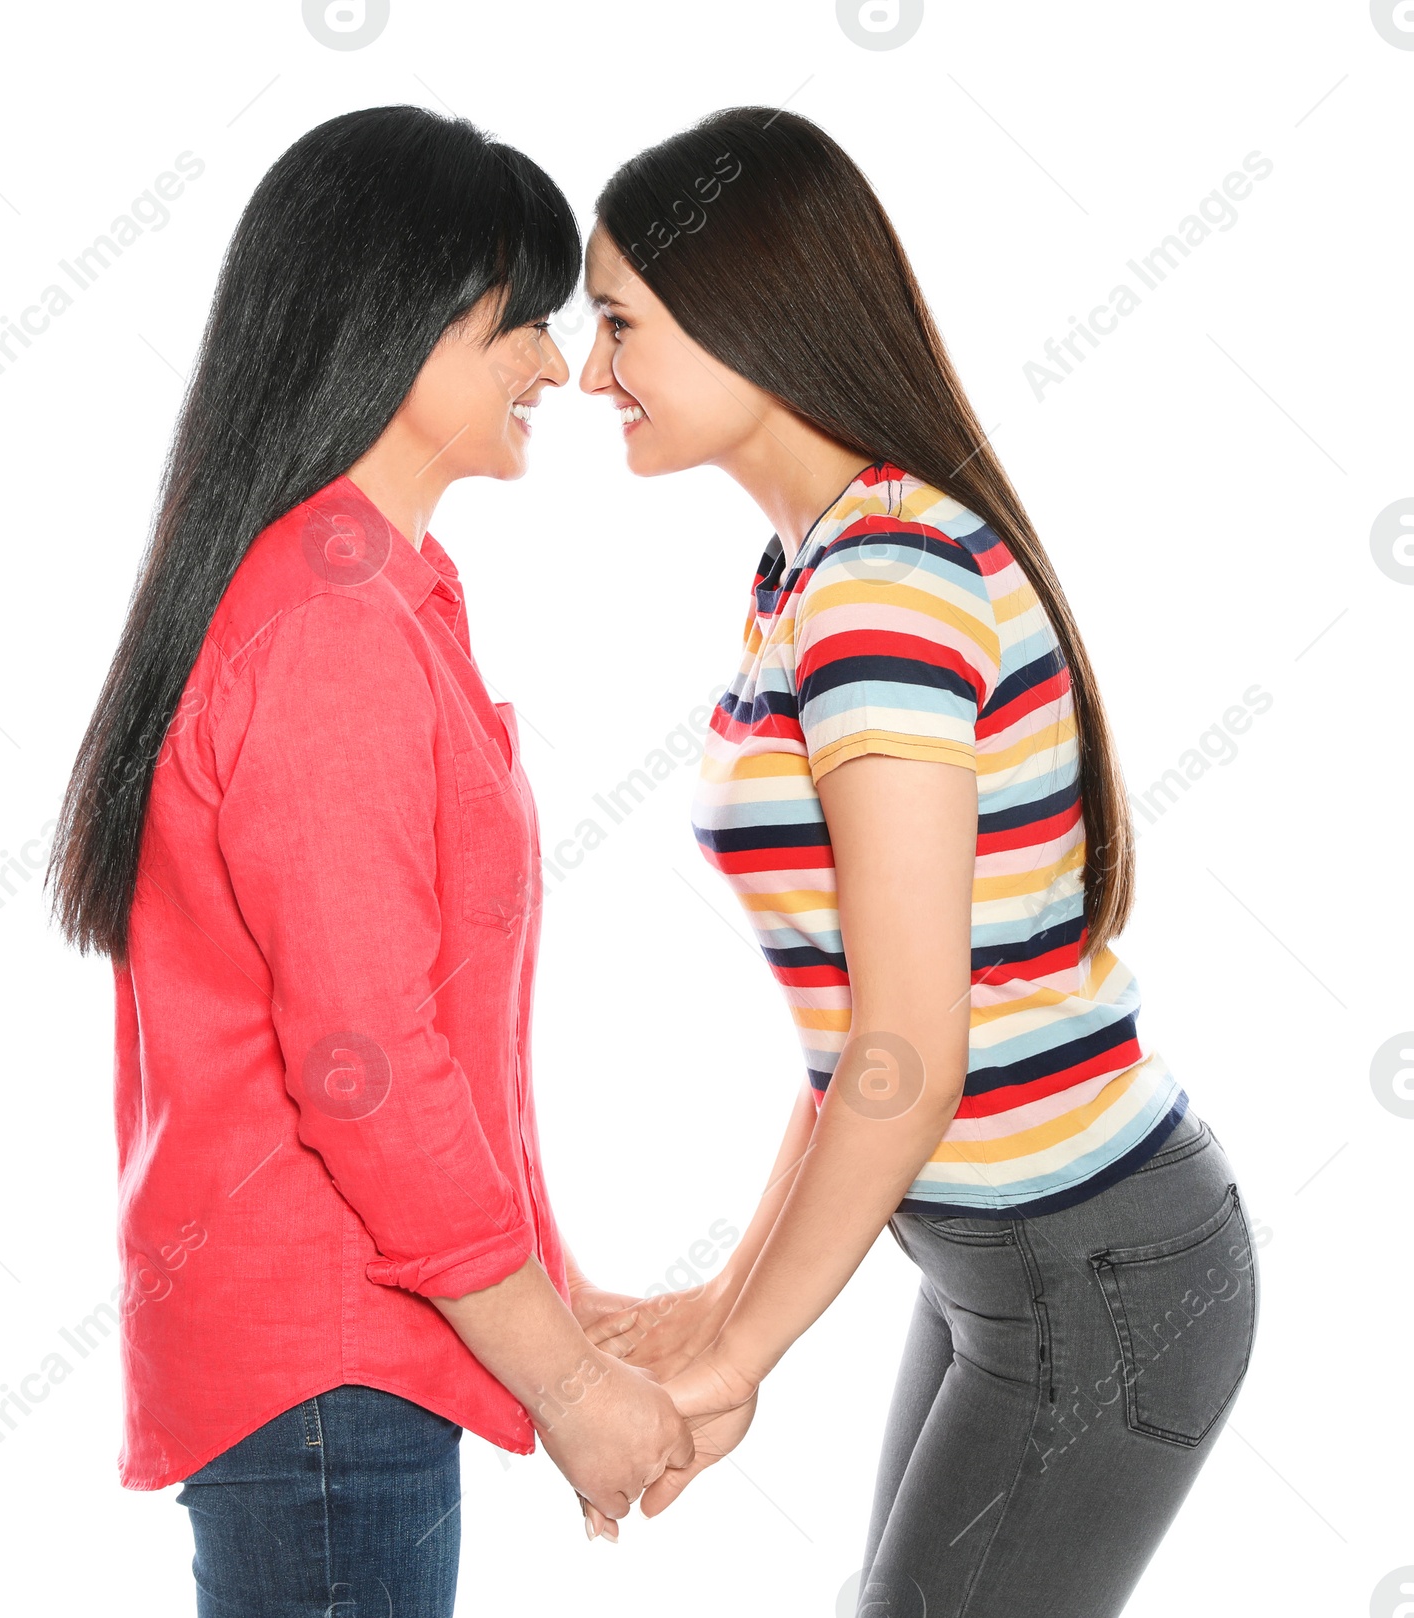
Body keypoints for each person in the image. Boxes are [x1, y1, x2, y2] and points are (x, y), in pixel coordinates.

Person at [575, 108, 1260, 1616]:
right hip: (1009, 1262)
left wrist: (741, 1354)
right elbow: (854, 1053)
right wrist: (719, 1308)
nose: (587, 372)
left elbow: (909, 1050)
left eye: (618, 323)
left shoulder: (886, 583)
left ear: (743, 308)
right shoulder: (816, 567)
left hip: (1093, 1266)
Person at [46, 106, 690, 1618]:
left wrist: (566, 1308)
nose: (554, 363)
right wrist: (568, 1388)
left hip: (349, 1365)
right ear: (398, 321)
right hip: (332, 1376)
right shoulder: (330, 622)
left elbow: (429, 1034)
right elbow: (369, 1064)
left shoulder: (379, 587)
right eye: (518, 321)